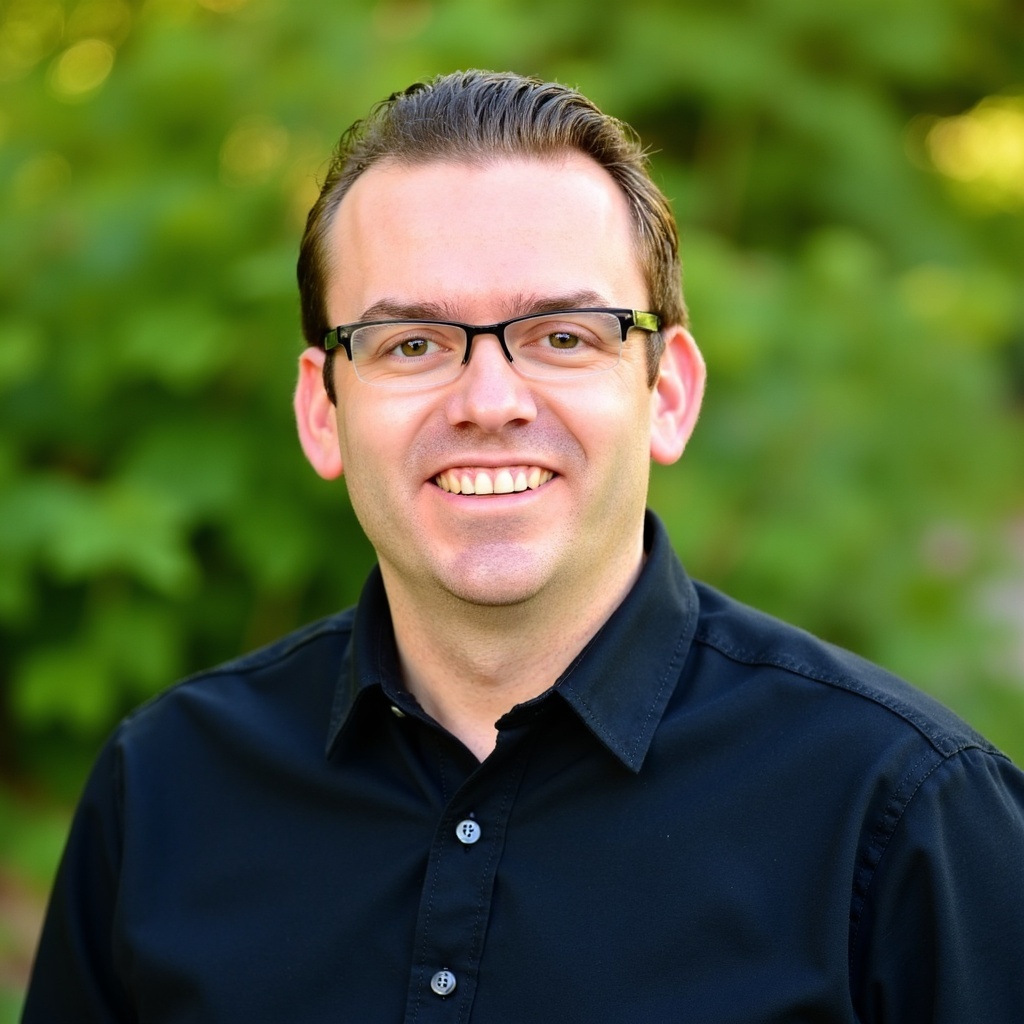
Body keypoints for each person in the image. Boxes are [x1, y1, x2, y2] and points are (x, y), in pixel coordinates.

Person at [22, 70, 1024, 1023]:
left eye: (562, 334)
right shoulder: (165, 792)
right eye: (410, 342)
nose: (489, 403)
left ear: (666, 393)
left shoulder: (903, 818)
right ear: (321, 412)